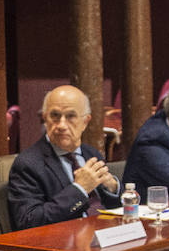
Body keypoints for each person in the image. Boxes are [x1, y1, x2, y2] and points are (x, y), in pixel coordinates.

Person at [8, 84, 121, 230]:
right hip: (64, 244)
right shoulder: (28, 164)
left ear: (85, 122)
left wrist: (112, 188)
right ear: (45, 118)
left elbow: (108, 208)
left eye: (70, 116)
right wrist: (79, 189)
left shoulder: (91, 154)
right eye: (55, 116)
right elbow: (29, 221)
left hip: (105, 236)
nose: (61, 125)